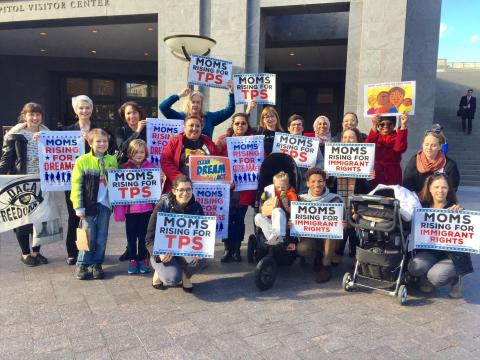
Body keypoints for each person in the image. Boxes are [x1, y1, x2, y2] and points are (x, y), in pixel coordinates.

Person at [63, 95, 115, 266]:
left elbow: (110, 155)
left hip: (98, 187)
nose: (84, 111)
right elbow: (51, 146)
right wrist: (41, 138)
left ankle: (93, 257)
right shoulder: (67, 130)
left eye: (87, 107)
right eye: (81, 108)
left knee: (97, 228)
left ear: (92, 110)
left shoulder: (99, 131)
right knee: (75, 217)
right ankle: (74, 252)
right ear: (75, 110)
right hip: (76, 180)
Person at [0, 103, 50, 266]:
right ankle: (25, 253)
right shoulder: (15, 135)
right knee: (23, 219)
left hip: (42, 182)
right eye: (31, 115)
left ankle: (36, 252)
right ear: (25, 116)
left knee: (40, 218)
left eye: (38, 115)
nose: (35, 118)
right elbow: (7, 158)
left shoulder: (48, 134)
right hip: (22, 181)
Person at [408, 173, 473, 298]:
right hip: (430, 251)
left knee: (436, 276)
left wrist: (460, 215)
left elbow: (466, 238)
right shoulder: (422, 207)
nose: (440, 191)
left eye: (444, 187)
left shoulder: (455, 209)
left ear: (449, 190)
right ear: (429, 188)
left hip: (451, 255)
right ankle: (426, 278)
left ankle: (455, 279)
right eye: (436, 187)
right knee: (414, 267)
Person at [70, 128, 117, 280]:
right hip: (88, 205)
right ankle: (82, 263)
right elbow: (76, 185)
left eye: (105, 141)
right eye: (98, 141)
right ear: (90, 143)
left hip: (105, 205)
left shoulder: (112, 160)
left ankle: (97, 263)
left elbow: (116, 183)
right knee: (88, 235)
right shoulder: (82, 161)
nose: (102, 144)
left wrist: (114, 203)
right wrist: (79, 206)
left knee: (102, 237)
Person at [145, 175, 204, 292]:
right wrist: (158, 255)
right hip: (164, 250)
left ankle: (186, 276)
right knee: (172, 278)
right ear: (174, 191)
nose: (185, 193)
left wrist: (200, 250)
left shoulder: (196, 207)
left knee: (202, 259)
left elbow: (202, 236)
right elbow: (149, 238)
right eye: (181, 190)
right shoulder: (163, 205)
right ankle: (159, 272)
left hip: (184, 248)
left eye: (188, 189)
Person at [216, 113, 256, 262]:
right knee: (226, 219)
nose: (240, 126)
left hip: (244, 189)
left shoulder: (254, 142)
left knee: (239, 220)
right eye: (237, 123)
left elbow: (260, 163)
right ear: (232, 126)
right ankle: (227, 249)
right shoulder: (224, 142)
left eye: (243, 123)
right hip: (226, 189)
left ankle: (237, 249)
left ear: (247, 126)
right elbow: (217, 162)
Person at [331, 128, 374, 264]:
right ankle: (337, 251)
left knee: (355, 228)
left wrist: (369, 178)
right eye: (345, 138)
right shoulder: (334, 155)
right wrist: (327, 175)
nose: (347, 140)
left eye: (351, 138)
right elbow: (329, 185)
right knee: (340, 228)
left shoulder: (365, 157)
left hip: (356, 203)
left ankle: (355, 253)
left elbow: (368, 190)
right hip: (339, 200)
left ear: (357, 140)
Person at [295, 168, 344, 283]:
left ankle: (326, 266)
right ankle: (317, 256)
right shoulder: (301, 199)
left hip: (331, 240)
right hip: (310, 237)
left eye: (320, 181)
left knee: (331, 231)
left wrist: (344, 224)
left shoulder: (336, 199)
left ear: (325, 182)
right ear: (307, 183)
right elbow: (296, 222)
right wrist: (291, 223)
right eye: (313, 181)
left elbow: (345, 223)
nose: (317, 184)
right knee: (302, 249)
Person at [113, 140, 154, 274]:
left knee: (143, 237)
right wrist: (119, 213)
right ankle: (132, 259)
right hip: (130, 211)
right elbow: (119, 193)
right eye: (136, 152)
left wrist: (160, 178)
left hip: (147, 210)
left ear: (146, 153)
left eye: (142, 152)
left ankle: (142, 259)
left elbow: (155, 189)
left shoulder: (151, 167)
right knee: (131, 237)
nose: (139, 155)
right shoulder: (124, 168)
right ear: (130, 153)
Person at [160, 115, 217, 193]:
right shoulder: (175, 142)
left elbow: (218, 163)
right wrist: (180, 179)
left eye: (198, 126)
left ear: (201, 128)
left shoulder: (209, 144)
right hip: (179, 189)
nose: (194, 128)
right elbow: (165, 161)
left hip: (202, 190)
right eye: (191, 125)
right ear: (184, 127)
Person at [159, 81, 235, 139]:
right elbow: (163, 107)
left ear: (201, 105)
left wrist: (231, 93)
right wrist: (179, 95)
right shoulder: (180, 117)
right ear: (188, 104)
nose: (195, 105)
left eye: (198, 102)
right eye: (193, 102)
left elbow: (229, 110)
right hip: (185, 155)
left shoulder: (210, 117)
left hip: (204, 157)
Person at [403, 129, 460, 194]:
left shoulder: (449, 165)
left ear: (439, 147)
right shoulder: (414, 161)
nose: (429, 148)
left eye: (433, 145)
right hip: (417, 201)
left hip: (440, 201)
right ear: (422, 145)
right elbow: (407, 185)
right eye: (426, 144)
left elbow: (452, 188)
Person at [254, 171, 299, 246]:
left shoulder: (291, 194)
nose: (280, 189)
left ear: (288, 186)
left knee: (277, 210)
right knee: (258, 217)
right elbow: (261, 210)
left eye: (283, 187)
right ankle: (274, 238)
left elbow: (295, 211)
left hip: (283, 221)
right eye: (278, 187)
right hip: (269, 219)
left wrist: (285, 202)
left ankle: (278, 235)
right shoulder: (270, 192)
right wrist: (262, 201)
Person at [365, 113, 408, 186]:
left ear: (394, 125)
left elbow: (399, 148)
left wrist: (403, 125)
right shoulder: (374, 136)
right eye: (382, 124)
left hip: (393, 175)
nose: (385, 126)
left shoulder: (398, 137)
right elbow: (368, 148)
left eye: (389, 124)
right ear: (378, 126)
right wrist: (374, 125)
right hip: (375, 174)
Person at [115, 101, 147, 166]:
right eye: (128, 113)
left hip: (146, 167)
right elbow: (122, 148)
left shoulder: (147, 129)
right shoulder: (120, 130)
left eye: (134, 112)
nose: (132, 116)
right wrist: (137, 131)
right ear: (124, 116)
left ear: (139, 114)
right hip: (126, 168)